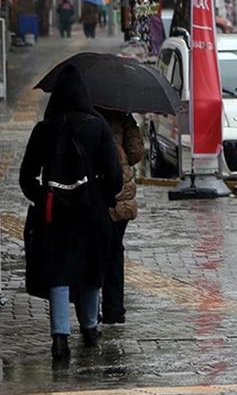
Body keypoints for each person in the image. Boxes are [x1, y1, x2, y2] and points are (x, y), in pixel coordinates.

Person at [20, 65, 123, 359]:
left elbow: (26, 177)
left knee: (58, 272)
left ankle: (59, 338)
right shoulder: (98, 126)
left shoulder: (44, 129)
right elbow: (114, 177)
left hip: (53, 216)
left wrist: (44, 198)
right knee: (90, 269)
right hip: (91, 214)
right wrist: (100, 196)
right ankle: (90, 329)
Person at [96, 108, 144, 325]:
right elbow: (136, 153)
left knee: (93, 251)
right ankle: (114, 309)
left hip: (95, 192)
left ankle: (89, 311)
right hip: (120, 194)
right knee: (115, 251)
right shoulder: (123, 117)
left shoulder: (87, 115)